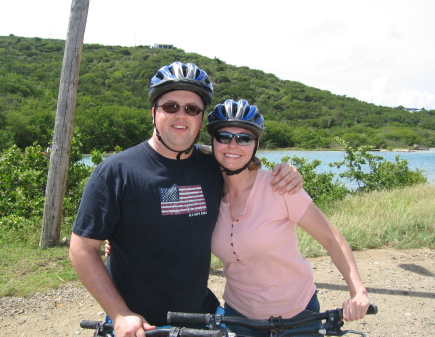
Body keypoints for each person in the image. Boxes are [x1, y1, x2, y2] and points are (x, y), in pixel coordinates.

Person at [69, 62, 303, 337]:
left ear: (201, 118)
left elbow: (245, 164)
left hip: (202, 317)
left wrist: (287, 171)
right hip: (140, 324)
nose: (181, 115)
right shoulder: (116, 172)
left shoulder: (211, 165)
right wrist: (120, 314)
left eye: (192, 109)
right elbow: (82, 248)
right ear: (153, 112)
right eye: (170, 107)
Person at [205, 99, 371, 337]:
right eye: (223, 136)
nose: (233, 144)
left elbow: (332, 239)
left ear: (256, 144)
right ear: (212, 142)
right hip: (238, 317)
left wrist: (358, 291)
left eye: (244, 138)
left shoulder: (279, 187)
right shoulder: (207, 190)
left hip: (297, 315)